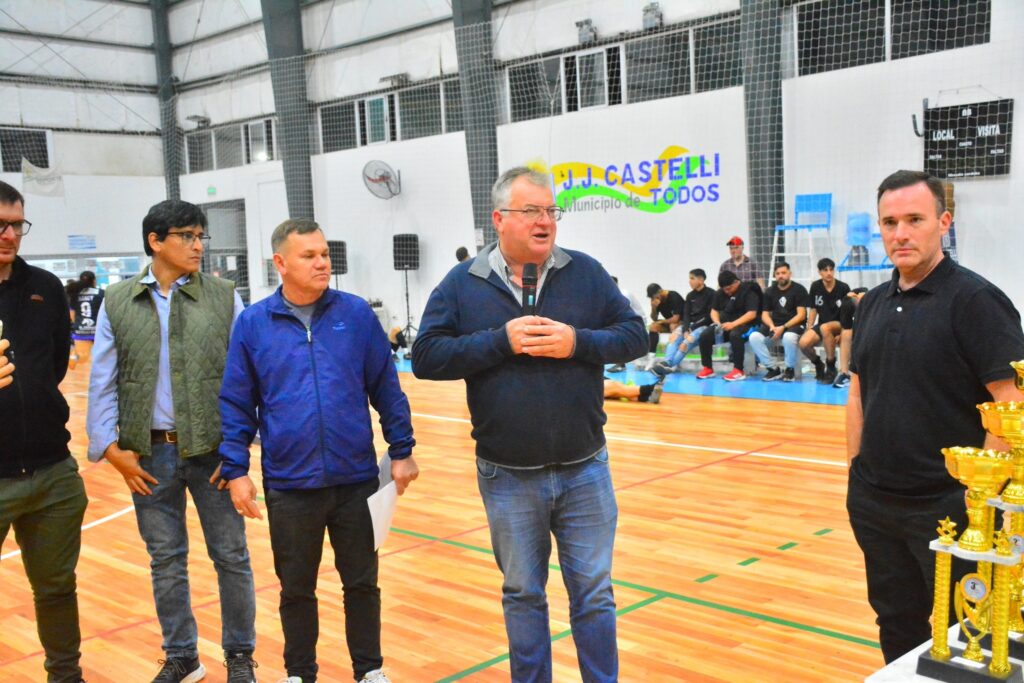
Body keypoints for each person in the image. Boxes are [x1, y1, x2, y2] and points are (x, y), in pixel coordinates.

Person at [411, 166, 646, 682]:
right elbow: (425, 356)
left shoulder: (585, 272)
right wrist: (500, 341)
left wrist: (578, 342)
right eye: (532, 211)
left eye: (551, 211)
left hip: (586, 470)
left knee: (594, 594)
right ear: (499, 219)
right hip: (508, 475)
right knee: (523, 595)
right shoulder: (463, 283)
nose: (545, 221)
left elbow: (635, 335)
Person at [219, 219, 417, 683]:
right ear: (281, 263)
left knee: (362, 583)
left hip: (356, 480)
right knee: (296, 589)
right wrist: (236, 469)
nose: (322, 263)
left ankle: (369, 671)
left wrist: (402, 448)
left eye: (324, 254)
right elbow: (236, 402)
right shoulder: (253, 324)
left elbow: (386, 388)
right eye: (309, 256)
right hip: (290, 485)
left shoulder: (356, 315)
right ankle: (299, 673)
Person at [847, 169, 1024, 664]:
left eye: (914, 219)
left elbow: (1011, 403)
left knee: (964, 635)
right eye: (890, 223)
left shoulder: (976, 301)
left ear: (943, 223)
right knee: (895, 621)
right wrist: (854, 472)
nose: (900, 233)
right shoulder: (873, 303)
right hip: (875, 504)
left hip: (950, 509)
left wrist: (978, 500)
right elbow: (858, 391)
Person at [86, 199, 258, 683]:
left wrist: (238, 453)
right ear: (155, 241)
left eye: (201, 236)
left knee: (231, 556)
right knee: (165, 560)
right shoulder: (117, 300)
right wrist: (111, 449)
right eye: (187, 236)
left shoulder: (224, 296)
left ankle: (239, 655)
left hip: (214, 452)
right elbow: (103, 378)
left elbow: (247, 376)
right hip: (149, 454)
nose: (199, 245)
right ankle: (182, 655)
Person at [0, 180, 89, 683]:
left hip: (53, 473)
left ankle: (66, 675)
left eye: (17, 225)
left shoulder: (46, 287)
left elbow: (54, 364)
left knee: (56, 588)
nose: (10, 235)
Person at [748, 262, 808, 382]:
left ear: (790, 274)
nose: (781, 276)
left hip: (794, 324)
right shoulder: (769, 291)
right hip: (775, 324)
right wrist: (771, 326)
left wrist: (783, 327)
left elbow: (801, 315)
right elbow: (765, 314)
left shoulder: (799, 289)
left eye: (783, 273)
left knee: (788, 337)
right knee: (754, 337)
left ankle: (789, 369)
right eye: (778, 273)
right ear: (775, 275)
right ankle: (773, 369)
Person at [696, 270, 760, 381]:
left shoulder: (749, 291)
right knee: (705, 335)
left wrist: (733, 324)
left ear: (736, 282)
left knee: (735, 335)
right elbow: (714, 311)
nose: (726, 292)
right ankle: (708, 368)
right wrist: (717, 323)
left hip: (748, 325)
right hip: (727, 325)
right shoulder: (721, 292)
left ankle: (738, 370)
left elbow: (752, 314)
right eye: (724, 289)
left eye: (729, 289)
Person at [652, 268, 715, 377]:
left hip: (704, 326)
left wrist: (692, 328)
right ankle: (666, 363)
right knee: (674, 337)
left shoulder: (712, 294)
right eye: (689, 278)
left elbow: (709, 316)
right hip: (690, 325)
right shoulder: (690, 296)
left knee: (686, 343)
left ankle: (668, 366)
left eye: (692, 278)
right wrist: (685, 329)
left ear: (701, 280)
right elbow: (686, 315)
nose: (689, 281)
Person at [799, 258, 850, 384]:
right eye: (825, 270)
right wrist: (809, 327)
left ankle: (831, 366)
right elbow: (813, 309)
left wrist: (842, 333)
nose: (829, 273)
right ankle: (818, 364)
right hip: (822, 324)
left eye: (831, 270)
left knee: (825, 328)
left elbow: (849, 313)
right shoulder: (815, 286)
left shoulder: (843, 287)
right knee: (803, 343)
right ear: (819, 272)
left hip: (840, 324)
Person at [608, 275, 648, 373]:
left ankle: (622, 364)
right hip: (629, 320)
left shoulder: (624, 294)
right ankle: (621, 363)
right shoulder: (614, 295)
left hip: (637, 321)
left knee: (619, 337)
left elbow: (622, 313)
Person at [643, 283, 684, 370]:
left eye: (654, 297)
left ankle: (673, 360)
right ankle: (651, 358)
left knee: (673, 326)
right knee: (653, 326)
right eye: (652, 298)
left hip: (682, 323)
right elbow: (654, 318)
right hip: (669, 322)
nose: (654, 299)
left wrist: (662, 321)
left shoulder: (674, 296)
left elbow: (676, 319)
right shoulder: (657, 300)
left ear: (660, 292)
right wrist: (653, 307)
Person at [832, 287, 867, 389]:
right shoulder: (848, 304)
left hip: (877, 331)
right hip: (859, 331)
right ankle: (844, 374)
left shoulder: (874, 303)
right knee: (846, 333)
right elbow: (846, 326)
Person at [69, 271, 103, 367]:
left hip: (80, 330)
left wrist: (78, 324)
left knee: (82, 358)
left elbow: (71, 314)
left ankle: (73, 358)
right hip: (99, 331)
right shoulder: (101, 293)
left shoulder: (75, 294)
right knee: (102, 357)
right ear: (94, 281)